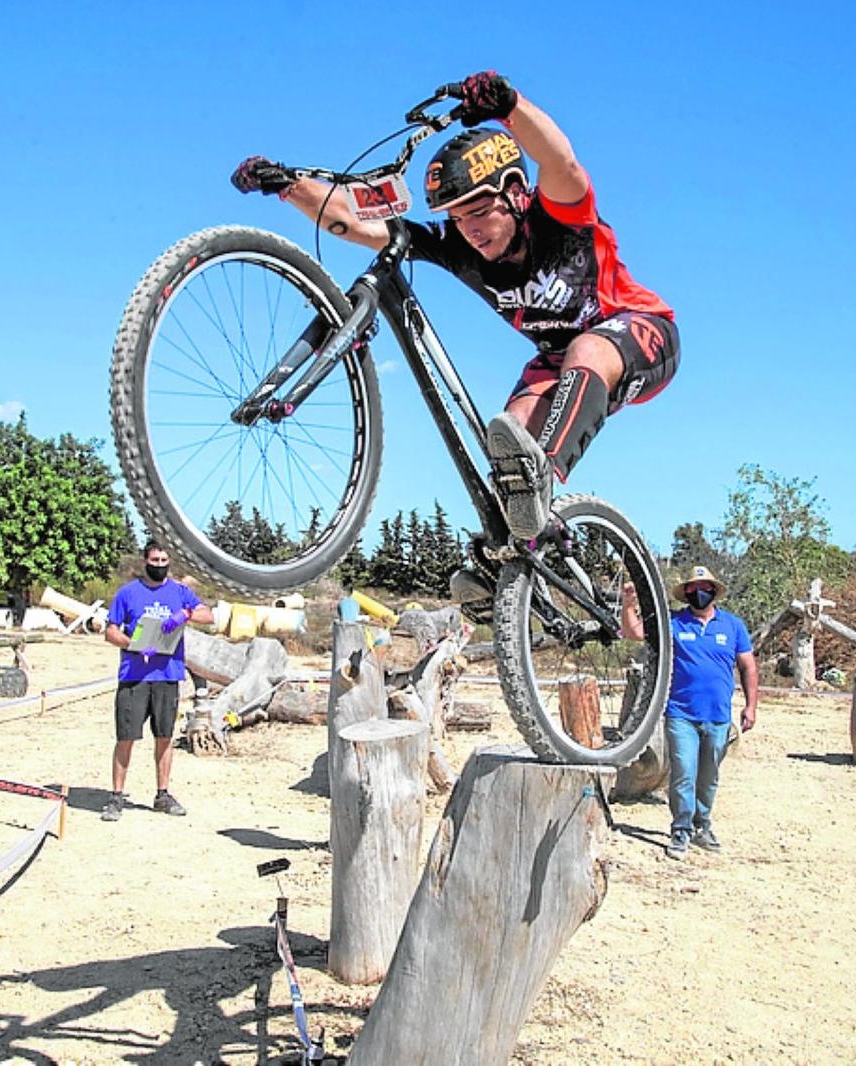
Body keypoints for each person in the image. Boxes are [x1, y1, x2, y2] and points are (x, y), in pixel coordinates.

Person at [231, 70, 679, 600]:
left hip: (640, 331)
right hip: (558, 360)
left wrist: (508, 106)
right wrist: (286, 186)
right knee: (507, 442)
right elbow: (356, 225)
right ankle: (511, 567)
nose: (470, 228)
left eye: (479, 210)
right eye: (456, 216)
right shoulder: (456, 244)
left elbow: (560, 160)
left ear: (514, 195)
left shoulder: (559, 214)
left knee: (575, 370)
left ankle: (540, 481)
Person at [625, 565, 758, 860]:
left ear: (714, 590)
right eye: (692, 588)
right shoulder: (673, 622)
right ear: (685, 593)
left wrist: (751, 706)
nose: (698, 593)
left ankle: (702, 825)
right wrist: (629, 604)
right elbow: (632, 632)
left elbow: (748, 666)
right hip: (680, 713)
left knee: (708, 777)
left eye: (704, 587)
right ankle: (681, 830)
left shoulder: (733, 626)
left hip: (718, 716)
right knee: (683, 772)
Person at [102, 541, 213, 822]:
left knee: (164, 737)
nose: (160, 564)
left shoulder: (179, 592)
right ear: (145, 561)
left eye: (164, 560)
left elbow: (208, 614)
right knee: (126, 737)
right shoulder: (128, 593)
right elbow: (110, 631)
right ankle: (116, 797)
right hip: (134, 676)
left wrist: (186, 613)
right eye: (155, 559)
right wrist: (133, 644)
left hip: (168, 675)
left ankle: (162, 793)